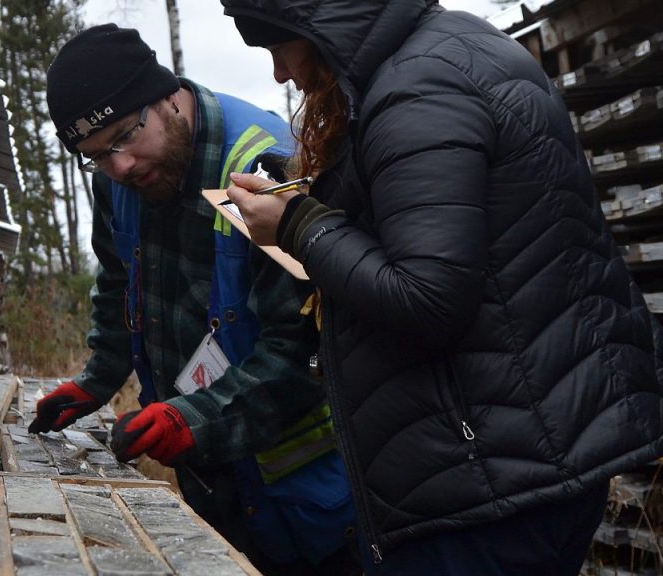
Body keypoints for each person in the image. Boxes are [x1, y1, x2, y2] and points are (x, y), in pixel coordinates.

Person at [219, 1, 663, 575]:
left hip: (485, 486)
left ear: (320, 25)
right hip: (523, 454)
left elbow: (426, 296)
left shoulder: (417, 91)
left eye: (280, 47)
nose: (281, 73)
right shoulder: (449, 51)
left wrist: (298, 226)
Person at [28, 23, 358, 575]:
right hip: (208, 481)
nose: (120, 166)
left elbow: (305, 352)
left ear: (165, 95)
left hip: (310, 500)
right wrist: (99, 377)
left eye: (126, 136)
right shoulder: (118, 182)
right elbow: (119, 284)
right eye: (97, 155)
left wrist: (191, 421)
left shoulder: (265, 171)